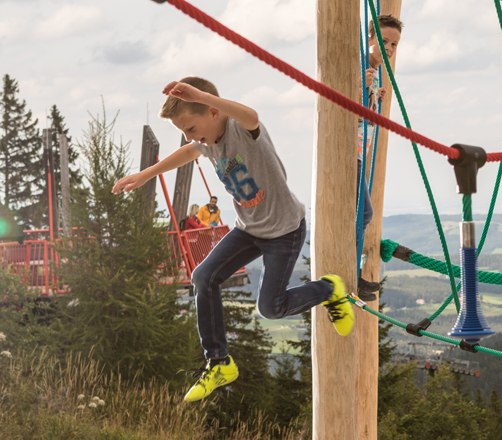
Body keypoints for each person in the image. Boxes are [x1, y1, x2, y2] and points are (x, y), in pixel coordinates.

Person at [112, 76, 354, 403]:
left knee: (271, 307)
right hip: (248, 230)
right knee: (203, 277)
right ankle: (219, 362)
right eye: (183, 131)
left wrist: (199, 95)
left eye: (190, 127)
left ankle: (329, 289)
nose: (189, 136)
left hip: (284, 231)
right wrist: (146, 174)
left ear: (212, 112)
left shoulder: (242, 130)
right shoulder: (206, 141)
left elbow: (250, 114)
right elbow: (188, 151)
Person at [356, 15, 403, 300]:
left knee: (363, 213)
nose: (389, 48)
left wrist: (374, 96)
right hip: (349, 154)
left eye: (394, 44)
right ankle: (351, 273)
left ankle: (354, 273)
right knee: (364, 214)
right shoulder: (362, 68)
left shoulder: (373, 72)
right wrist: (361, 86)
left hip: (360, 153)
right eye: (383, 41)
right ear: (369, 38)